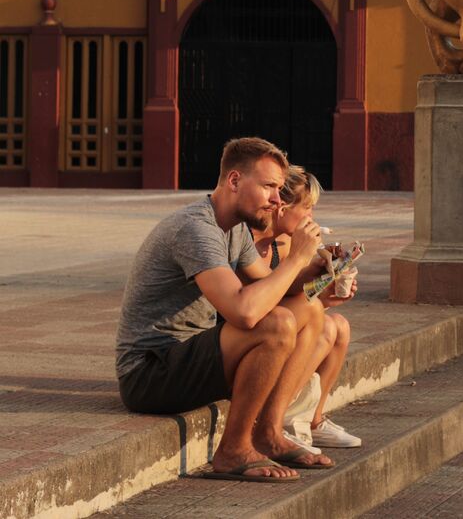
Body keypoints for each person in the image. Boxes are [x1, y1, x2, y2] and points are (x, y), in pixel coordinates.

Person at [115, 137, 333, 481]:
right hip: (149, 373)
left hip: (189, 359)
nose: (277, 200)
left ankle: (269, 432)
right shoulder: (195, 229)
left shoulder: (235, 230)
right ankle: (233, 449)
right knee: (275, 324)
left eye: (279, 189)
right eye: (269, 187)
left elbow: (271, 286)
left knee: (308, 308)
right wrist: (297, 259)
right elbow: (244, 312)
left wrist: (318, 275)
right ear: (234, 181)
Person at [250, 166, 361, 452]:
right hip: (255, 331)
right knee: (318, 317)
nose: (312, 217)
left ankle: (312, 419)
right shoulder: (254, 241)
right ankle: (277, 423)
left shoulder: (283, 239)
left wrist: (326, 288)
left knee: (339, 325)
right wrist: (314, 291)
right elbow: (263, 296)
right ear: (282, 208)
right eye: (307, 208)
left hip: (275, 320)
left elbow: (288, 290)